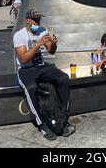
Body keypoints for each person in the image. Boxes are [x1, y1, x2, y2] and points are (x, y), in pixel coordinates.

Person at [13, 9, 73, 141]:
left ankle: (63, 118)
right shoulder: (19, 35)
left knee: (63, 78)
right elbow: (23, 59)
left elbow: (51, 51)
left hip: (42, 66)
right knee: (31, 88)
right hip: (26, 69)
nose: (38, 22)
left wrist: (54, 43)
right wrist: (37, 44)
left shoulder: (43, 31)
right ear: (28, 20)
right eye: (35, 20)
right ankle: (42, 124)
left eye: (39, 19)